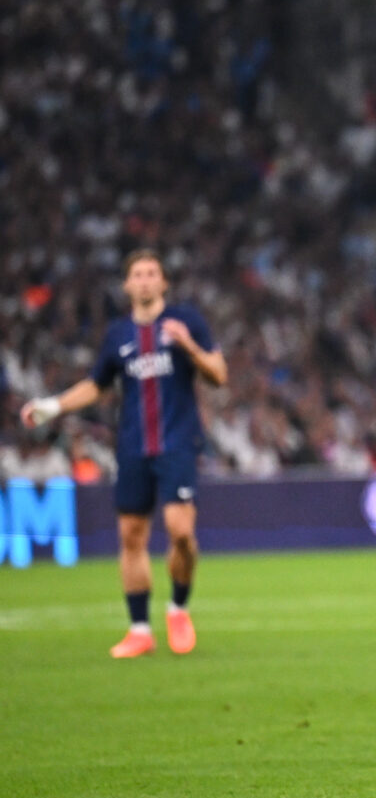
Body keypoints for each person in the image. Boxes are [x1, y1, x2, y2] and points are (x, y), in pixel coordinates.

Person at [20, 250, 227, 657]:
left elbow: (219, 375)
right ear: (127, 285)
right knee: (131, 536)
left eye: (152, 273)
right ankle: (139, 630)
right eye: (138, 274)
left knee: (181, 533)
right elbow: (97, 385)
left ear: (164, 282)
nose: (145, 280)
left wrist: (188, 346)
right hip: (133, 447)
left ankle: (178, 608)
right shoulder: (118, 335)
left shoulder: (186, 321)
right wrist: (54, 405)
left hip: (178, 443)